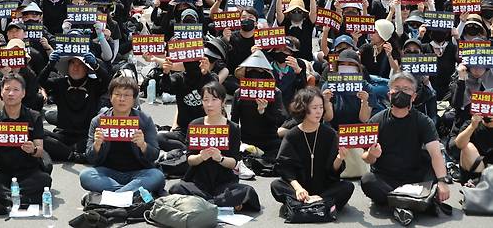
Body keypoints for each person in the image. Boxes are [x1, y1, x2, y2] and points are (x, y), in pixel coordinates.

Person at [360, 72, 450, 225]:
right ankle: (414, 204)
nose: (401, 92)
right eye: (397, 88)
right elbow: (365, 156)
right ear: (390, 94)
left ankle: (398, 204)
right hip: (386, 178)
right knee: (367, 180)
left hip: (415, 179)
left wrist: (442, 181)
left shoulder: (423, 121)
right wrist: (372, 155)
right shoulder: (376, 120)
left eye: (406, 89)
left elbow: (435, 153)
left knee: (431, 172)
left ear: (414, 96)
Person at [169, 82, 261, 212]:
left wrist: (220, 158)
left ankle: (204, 204)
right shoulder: (195, 125)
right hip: (198, 182)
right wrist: (201, 156)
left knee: (248, 192)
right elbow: (190, 159)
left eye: (214, 99)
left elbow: (233, 162)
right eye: (205, 100)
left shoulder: (233, 128)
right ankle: (218, 204)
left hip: (223, 183)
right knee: (176, 189)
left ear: (223, 102)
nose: (209, 104)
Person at [0, 74, 51, 204]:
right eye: (7, 89)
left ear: (23, 93)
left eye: (16, 90)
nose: (11, 94)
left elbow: (40, 151)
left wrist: (33, 150)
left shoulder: (34, 116)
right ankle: (18, 197)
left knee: (45, 179)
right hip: (3, 173)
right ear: (1, 92)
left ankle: (4, 196)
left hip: (28, 173)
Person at [271, 89, 354, 212]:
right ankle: (320, 204)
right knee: (276, 186)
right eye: (314, 108)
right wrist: (298, 189)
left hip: (324, 187)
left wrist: (339, 158)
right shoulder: (292, 135)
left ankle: (309, 203)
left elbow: (333, 171)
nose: (319, 111)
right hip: (300, 189)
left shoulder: (330, 134)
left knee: (347, 186)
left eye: (321, 107)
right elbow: (284, 167)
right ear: (303, 109)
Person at [80, 77, 165, 193]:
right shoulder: (98, 121)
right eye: (117, 94)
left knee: (157, 176)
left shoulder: (145, 120)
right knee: (86, 175)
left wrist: (143, 145)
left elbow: (154, 154)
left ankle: (115, 196)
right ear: (110, 97)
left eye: (127, 95)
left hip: (138, 172)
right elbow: (90, 158)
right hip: (108, 172)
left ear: (134, 99)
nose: (121, 99)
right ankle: (129, 194)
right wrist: (96, 145)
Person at [39, 52, 109, 162]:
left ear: (86, 68)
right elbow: (40, 81)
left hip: (85, 136)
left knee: (104, 140)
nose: (75, 67)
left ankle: (62, 152)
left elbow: (109, 82)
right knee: (36, 133)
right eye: (72, 63)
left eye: (80, 64)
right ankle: (72, 155)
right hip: (63, 134)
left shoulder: (94, 84)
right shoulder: (60, 83)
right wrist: (50, 64)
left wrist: (96, 66)